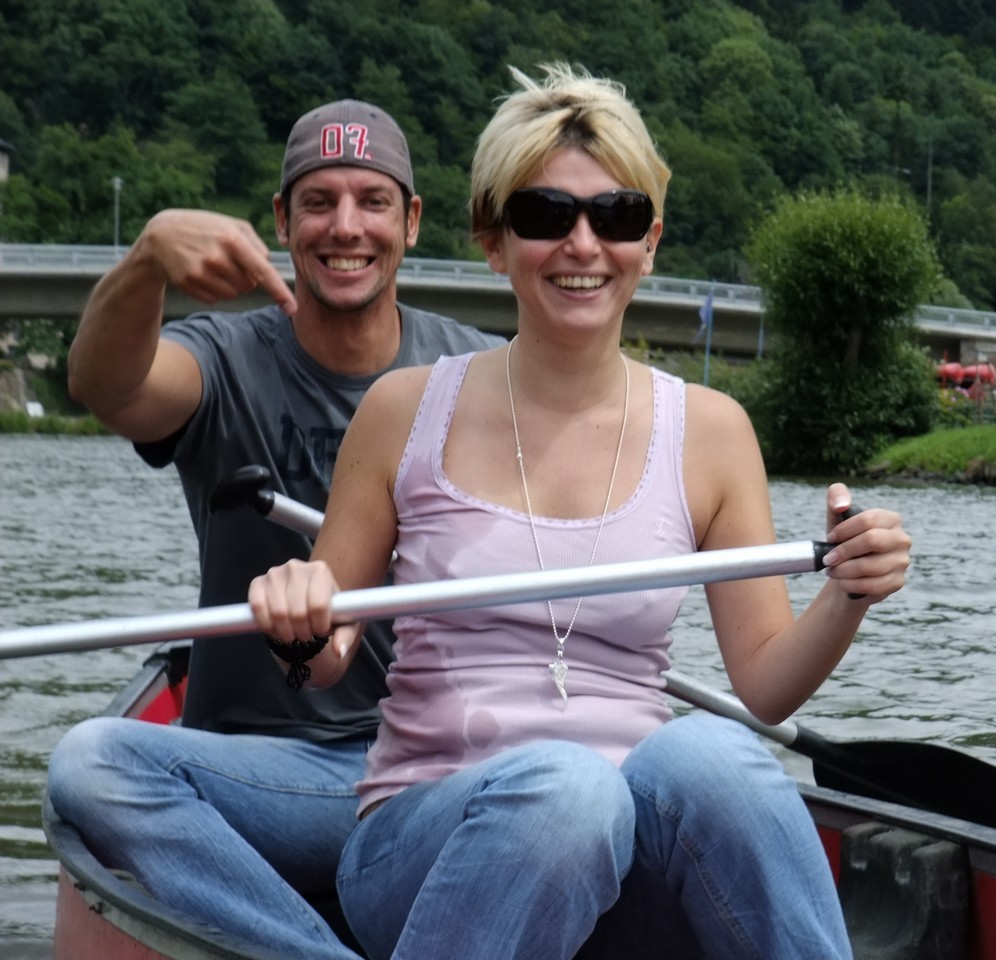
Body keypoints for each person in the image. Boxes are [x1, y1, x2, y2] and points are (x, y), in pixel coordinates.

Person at [249, 64, 912, 960]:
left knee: (711, 758)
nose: (583, 244)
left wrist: (846, 594)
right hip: (423, 842)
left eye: (618, 216)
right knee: (567, 790)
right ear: (494, 241)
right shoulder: (403, 410)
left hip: (622, 849)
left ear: (651, 242)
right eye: (545, 215)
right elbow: (325, 655)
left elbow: (761, 686)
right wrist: (296, 615)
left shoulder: (713, 431)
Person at [46, 99, 503, 958]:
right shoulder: (222, 358)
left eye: (372, 201)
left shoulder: (480, 374)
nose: (346, 226)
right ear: (282, 220)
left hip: (436, 771)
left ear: (410, 221)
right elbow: (106, 386)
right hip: (256, 774)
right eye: (319, 202)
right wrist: (147, 260)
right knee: (89, 765)